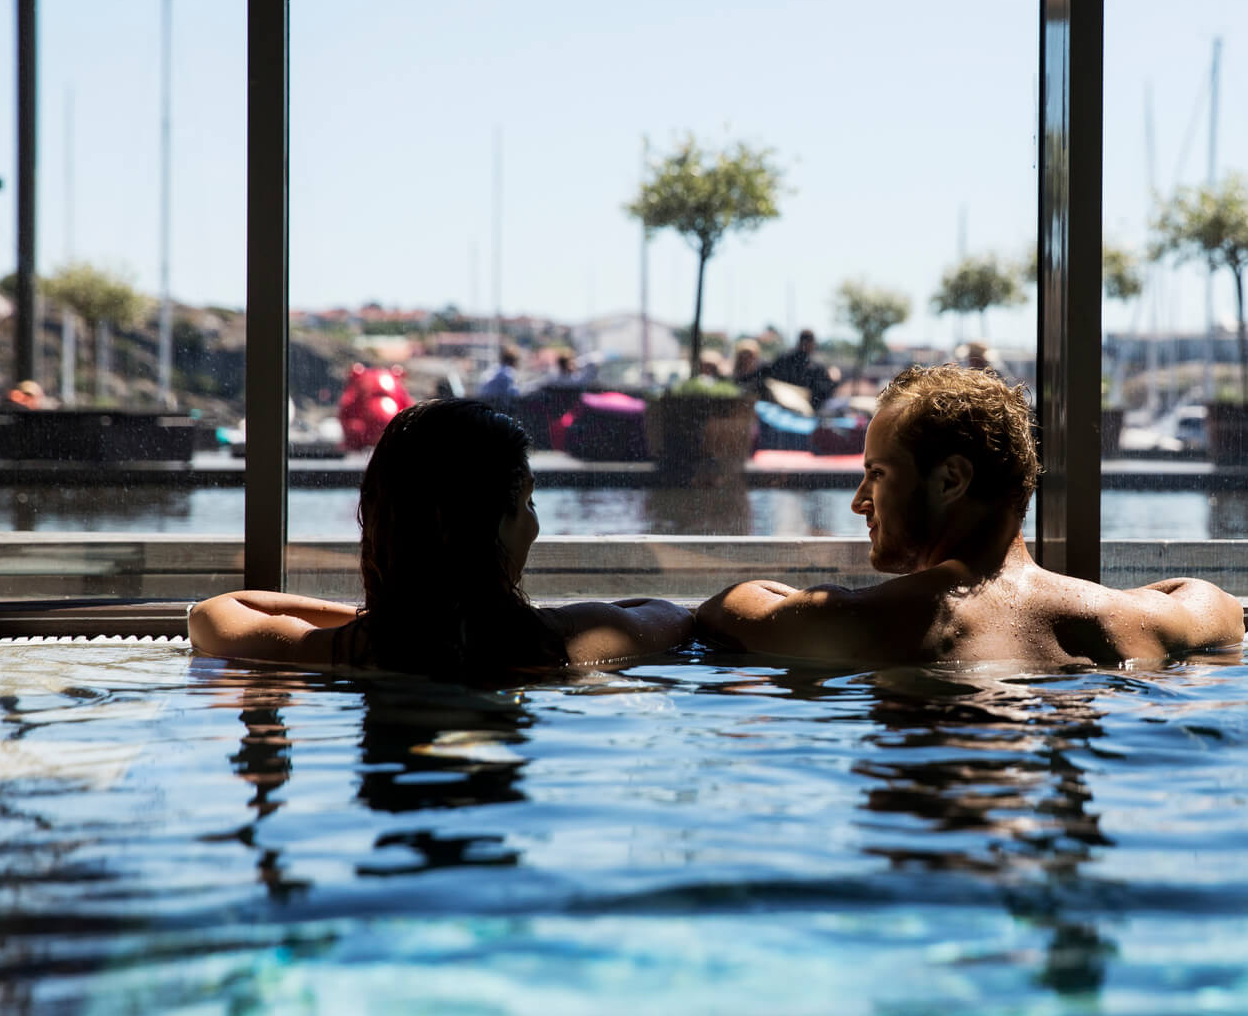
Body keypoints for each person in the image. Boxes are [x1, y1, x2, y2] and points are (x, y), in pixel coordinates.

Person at [697, 364, 1244, 667]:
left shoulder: (860, 620)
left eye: (879, 474)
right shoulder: (1125, 621)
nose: (859, 500)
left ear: (951, 479)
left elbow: (726, 610)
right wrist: (1110, 600)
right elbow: (1212, 602)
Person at [190, 399, 693, 677]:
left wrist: (392, 620)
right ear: (495, 522)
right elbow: (673, 614)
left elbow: (213, 613)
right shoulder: (573, 638)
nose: (535, 524)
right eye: (528, 503)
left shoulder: (339, 650)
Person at [765, 329, 840, 406]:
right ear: (809, 343)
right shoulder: (813, 366)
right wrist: (834, 380)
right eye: (813, 343)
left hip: (779, 404)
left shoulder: (783, 358)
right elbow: (822, 392)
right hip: (795, 406)